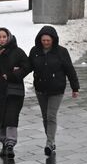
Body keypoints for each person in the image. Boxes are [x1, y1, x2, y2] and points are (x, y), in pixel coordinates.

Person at [27, 25, 79, 156]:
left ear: (53, 40)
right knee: (45, 117)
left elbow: (70, 70)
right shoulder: (35, 51)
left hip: (56, 89)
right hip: (40, 89)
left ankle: (49, 143)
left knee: (51, 115)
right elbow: (27, 66)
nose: (45, 43)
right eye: (43, 40)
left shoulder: (62, 52)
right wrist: (15, 73)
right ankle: (52, 140)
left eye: (48, 41)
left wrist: (75, 87)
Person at [0, 27, 29, 160]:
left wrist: (14, 74)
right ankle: (4, 142)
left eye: (4, 37)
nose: (2, 39)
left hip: (14, 90)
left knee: (11, 117)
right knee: (1, 117)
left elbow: (27, 66)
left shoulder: (17, 52)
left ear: (9, 37)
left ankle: (10, 144)